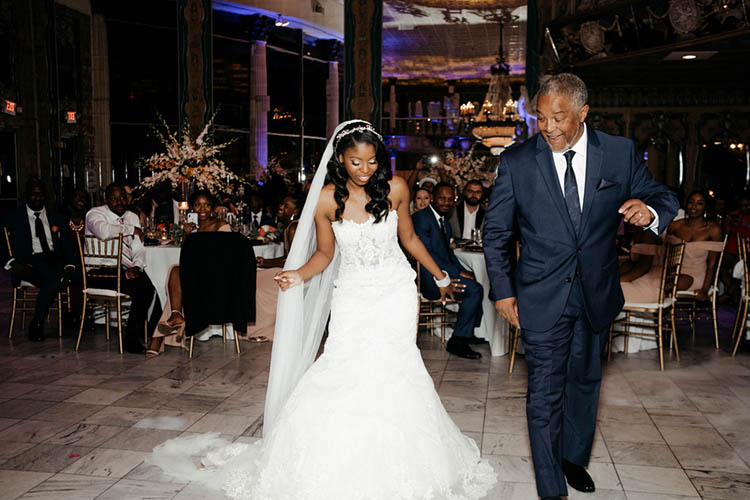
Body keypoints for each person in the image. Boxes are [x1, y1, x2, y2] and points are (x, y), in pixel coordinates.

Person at [149, 120, 497, 499]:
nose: (366, 170)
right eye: (355, 163)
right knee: (342, 367)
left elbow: (409, 238)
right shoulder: (327, 199)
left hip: (395, 291)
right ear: (340, 161)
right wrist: (298, 274)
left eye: (372, 162)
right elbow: (325, 253)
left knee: (397, 368)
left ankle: (397, 458)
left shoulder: (397, 188)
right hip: (352, 293)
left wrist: (440, 276)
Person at [483, 73, 678, 500]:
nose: (549, 127)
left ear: (583, 113)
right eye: (541, 118)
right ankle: (551, 486)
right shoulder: (517, 161)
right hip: (539, 294)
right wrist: (502, 291)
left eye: (559, 117)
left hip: (595, 293)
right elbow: (495, 233)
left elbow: (664, 196)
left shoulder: (619, 154)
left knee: (586, 382)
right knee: (544, 392)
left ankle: (574, 459)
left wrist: (649, 210)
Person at [146, 191, 232, 357]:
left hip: (216, 279)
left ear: (213, 208)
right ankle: (176, 315)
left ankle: (159, 335)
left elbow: (224, 256)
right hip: (198, 277)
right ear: (192, 208)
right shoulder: (195, 229)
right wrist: (186, 235)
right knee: (176, 270)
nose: (202, 209)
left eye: (207, 204)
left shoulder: (221, 225)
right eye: (198, 205)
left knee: (178, 277)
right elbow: (186, 256)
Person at [86, 183, 163, 354]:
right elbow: (104, 232)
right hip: (98, 271)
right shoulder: (94, 214)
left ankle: (140, 333)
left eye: (122, 197)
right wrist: (131, 229)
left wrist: (136, 266)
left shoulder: (132, 216)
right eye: (114, 199)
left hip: (123, 269)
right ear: (106, 200)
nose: (119, 202)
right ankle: (133, 338)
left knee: (149, 288)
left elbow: (138, 248)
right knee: (142, 288)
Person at [413, 182, 486, 360]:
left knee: (477, 283)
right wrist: (454, 272)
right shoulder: (422, 218)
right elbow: (426, 254)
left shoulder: (444, 221)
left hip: (443, 272)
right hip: (430, 278)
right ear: (433, 198)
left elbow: (448, 254)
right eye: (441, 198)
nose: (446, 202)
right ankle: (458, 341)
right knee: (475, 290)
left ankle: (467, 333)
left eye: (449, 199)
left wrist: (461, 270)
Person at [2, 177, 76, 341]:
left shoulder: (55, 217)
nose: (38, 197)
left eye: (41, 194)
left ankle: (77, 316)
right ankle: (38, 322)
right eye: (34, 194)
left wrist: (70, 266)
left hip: (54, 260)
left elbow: (67, 246)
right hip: (27, 264)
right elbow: (1, 245)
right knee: (54, 280)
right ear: (26, 195)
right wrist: (12, 263)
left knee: (76, 275)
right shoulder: (14, 217)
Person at [251, 195, 303, 342]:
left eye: (286, 206)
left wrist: (265, 263)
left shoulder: (294, 227)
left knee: (255, 280)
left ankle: (263, 329)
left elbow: (293, 261)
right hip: (288, 269)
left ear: (296, 210)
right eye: (281, 204)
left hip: (294, 273)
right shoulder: (290, 225)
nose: (281, 207)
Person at [666, 190, 725, 301]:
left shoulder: (713, 230)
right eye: (691, 202)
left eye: (699, 203)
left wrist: (705, 288)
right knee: (656, 281)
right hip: (674, 274)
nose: (694, 206)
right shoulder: (675, 226)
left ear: (705, 207)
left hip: (696, 276)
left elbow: (712, 263)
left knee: (664, 286)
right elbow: (665, 254)